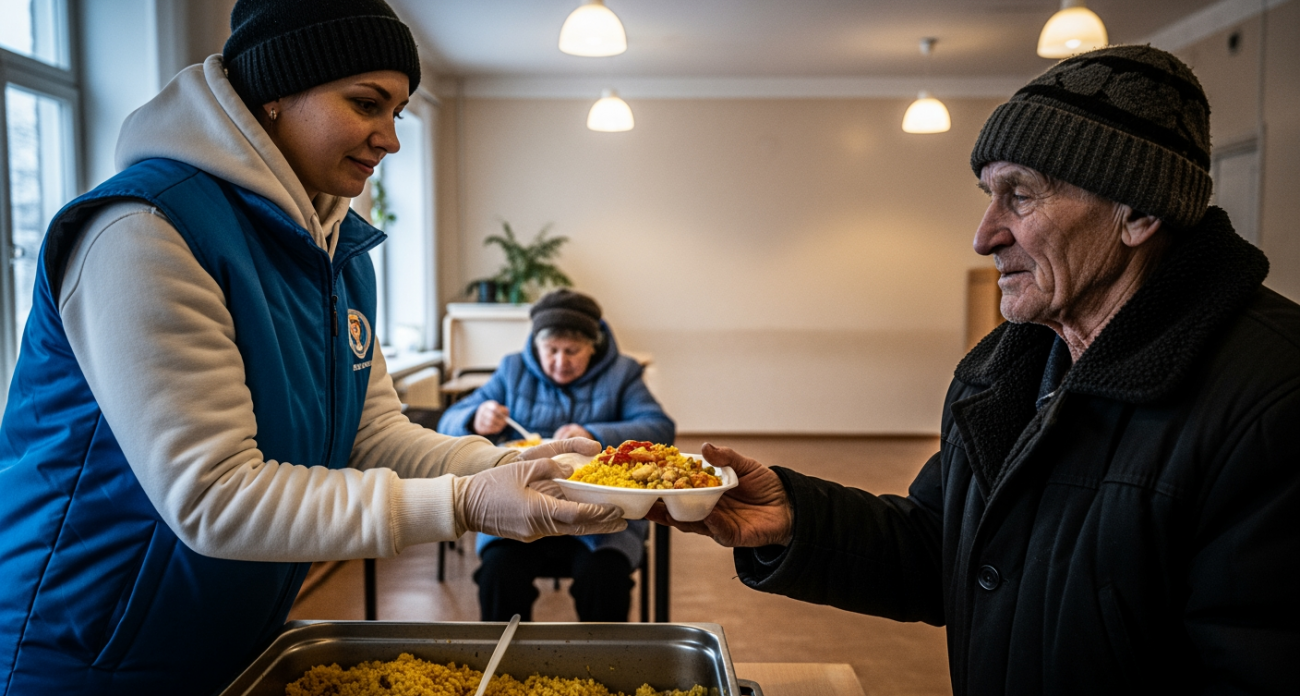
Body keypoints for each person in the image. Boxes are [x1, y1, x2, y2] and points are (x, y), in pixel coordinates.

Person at [0, 2, 623, 694]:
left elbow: (374, 436)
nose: (390, 138)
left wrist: (517, 465)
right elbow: (216, 496)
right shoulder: (146, 230)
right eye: (366, 104)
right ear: (274, 92)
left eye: (398, 111)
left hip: (229, 635)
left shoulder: (340, 252)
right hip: (85, 653)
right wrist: (465, 503)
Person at [651, 45, 1299, 693]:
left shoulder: (1273, 395)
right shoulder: (1002, 373)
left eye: (1019, 196)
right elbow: (947, 548)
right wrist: (795, 516)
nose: (984, 235)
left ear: (1138, 211)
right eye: (989, 195)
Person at [439, 289, 674, 621]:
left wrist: (593, 434)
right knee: (498, 574)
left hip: (602, 518)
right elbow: (448, 423)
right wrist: (474, 417)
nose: (560, 362)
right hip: (519, 508)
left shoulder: (622, 373)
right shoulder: (512, 369)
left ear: (593, 347)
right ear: (536, 345)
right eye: (551, 350)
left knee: (604, 579)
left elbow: (660, 428)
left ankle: (603, 669)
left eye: (572, 351)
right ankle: (507, 668)